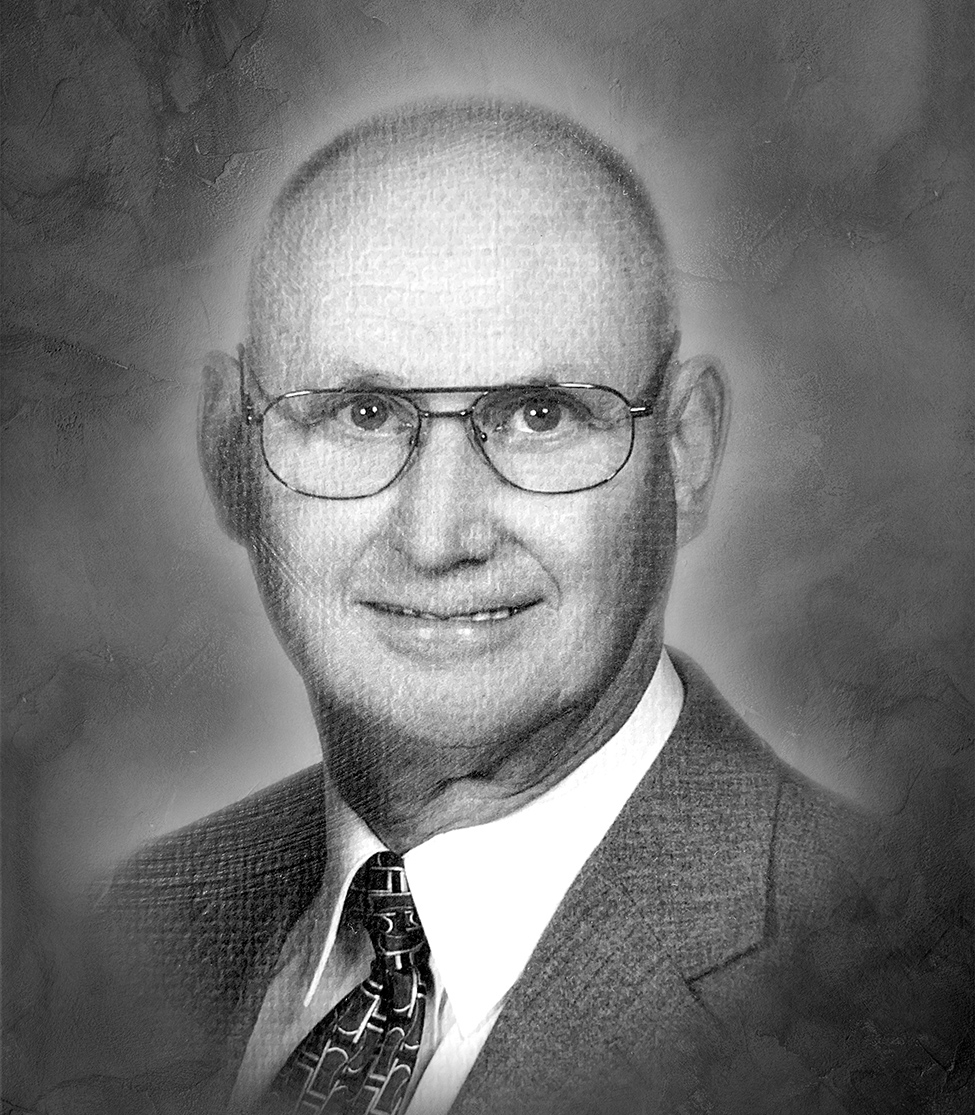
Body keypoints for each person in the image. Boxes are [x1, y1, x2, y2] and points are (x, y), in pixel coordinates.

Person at [99, 99, 965, 1115]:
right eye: (363, 414)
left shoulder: (893, 984)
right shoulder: (149, 916)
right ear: (228, 454)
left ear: (684, 453)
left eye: (539, 415)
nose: (438, 535)